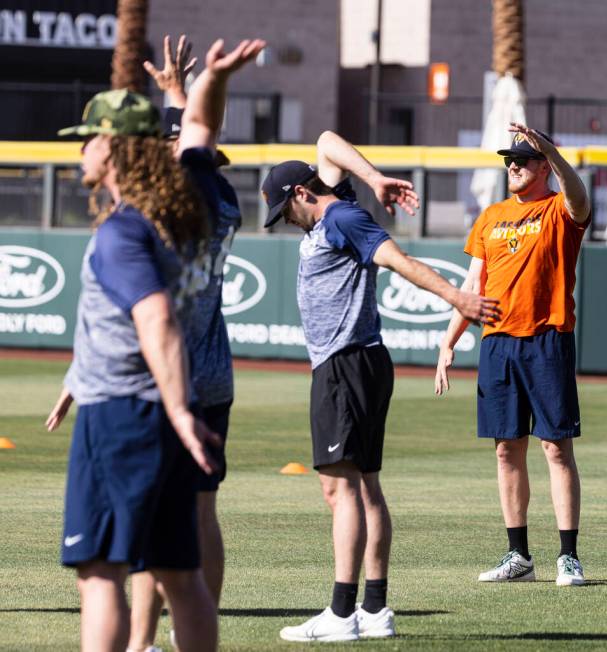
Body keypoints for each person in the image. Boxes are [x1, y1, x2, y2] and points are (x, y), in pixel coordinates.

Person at [263, 131, 501, 643]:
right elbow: (326, 142)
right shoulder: (339, 203)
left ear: (301, 194)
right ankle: (375, 610)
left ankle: (341, 613)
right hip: (359, 362)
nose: (287, 221)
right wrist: (373, 179)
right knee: (364, 484)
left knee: (339, 487)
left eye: (286, 211)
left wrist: (456, 298)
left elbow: (396, 260)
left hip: (345, 365)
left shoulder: (341, 217)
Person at [47, 87, 222, 652]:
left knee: (99, 573)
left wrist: (175, 408)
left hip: (122, 418)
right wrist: (211, 80)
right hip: (164, 413)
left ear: (115, 148)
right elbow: (199, 131)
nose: (81, 153)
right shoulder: (186, 205)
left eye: (89, 139)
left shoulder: (123, 231)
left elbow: (156, 319)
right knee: (179, 574)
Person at [126, 35, 263, 652]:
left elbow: (196, 134)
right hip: (216, 373)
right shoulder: (224, 202)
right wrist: (180, 92)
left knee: (152, 513)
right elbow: (198, 136)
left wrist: (200, 87)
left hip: (171, 374)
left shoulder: (174, 203)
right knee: (202, 510)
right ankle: (194, 632)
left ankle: (142, 641)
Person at [434, 124, 591, 587]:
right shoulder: (490, 217)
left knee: (556, 448)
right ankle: (518, 555)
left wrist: (554, 151)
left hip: (546, 338)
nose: (514, 166)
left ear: (544, 167)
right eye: (509, 160)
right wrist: (448, 341)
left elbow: (579, 197)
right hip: (497, 342)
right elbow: (472, 285)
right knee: (506, 449)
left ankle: (568, 556)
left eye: (523, 160)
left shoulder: (560, 209)